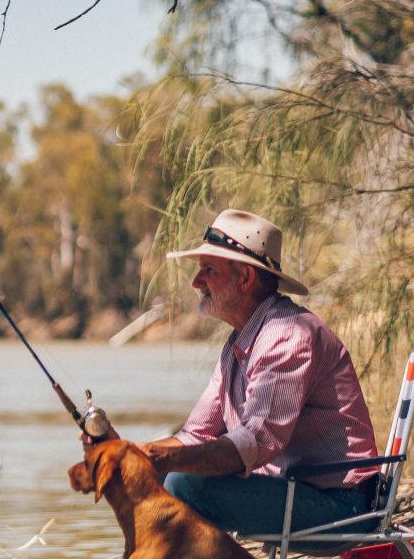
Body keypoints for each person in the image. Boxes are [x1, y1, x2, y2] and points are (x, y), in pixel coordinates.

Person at [142, 207, 381, 538]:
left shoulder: (287, 335)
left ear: (245, 278)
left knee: (185, 482)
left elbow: (255, 441)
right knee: (154, 475)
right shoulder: (239, 342)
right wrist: (131, 454)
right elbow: (196, 434)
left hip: (342, 505)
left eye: (208, 270)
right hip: (296, 493)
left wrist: (157, 458)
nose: (196, 282)